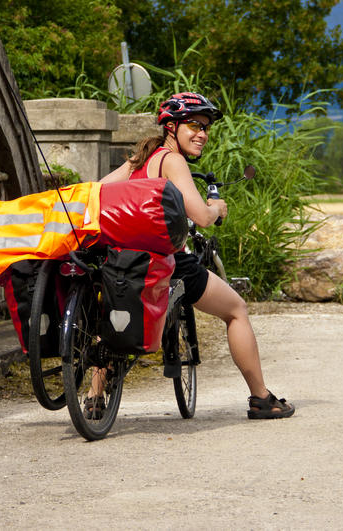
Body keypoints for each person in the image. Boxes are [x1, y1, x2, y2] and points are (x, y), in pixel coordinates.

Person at [100, 92, 294, 420]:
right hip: (168, 262)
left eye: (206, 127)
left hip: (125, 259)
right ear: (171, 127)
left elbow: (100, 190)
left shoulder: (140, 160)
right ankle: (261, 399)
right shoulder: (171, 160)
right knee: (236, 310)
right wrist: (216, 208)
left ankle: (93, 395)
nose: (202, 133)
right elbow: (201, 217)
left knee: (114, 313)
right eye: (194, 125)